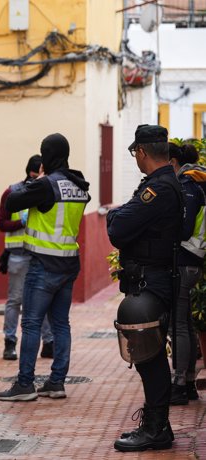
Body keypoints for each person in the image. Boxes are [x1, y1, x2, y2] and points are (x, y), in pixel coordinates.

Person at [0, 133, 90, 402]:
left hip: (44, 265)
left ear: (48, 155)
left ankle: (25, 384)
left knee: (32, 323)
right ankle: (56, 382)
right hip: (69, 263)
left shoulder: (47, 184)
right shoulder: (78, 185)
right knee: (61, 324)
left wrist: (35, 182)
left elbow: (12, 201)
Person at [107, 125, 182, 452]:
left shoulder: (160, 189)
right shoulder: (164, 183)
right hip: (151, 279)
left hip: (151, 281)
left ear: (141, 152)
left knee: (149, 356)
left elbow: (119, 226)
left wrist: (116, 216)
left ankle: (156, 429)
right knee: (147, 354)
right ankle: (157, 426)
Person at [0, 154, 54, 361]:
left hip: (40, 256)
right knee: (15, 301)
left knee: (44, 302)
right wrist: (21, 222)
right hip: (19, 255)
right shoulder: (12, 192)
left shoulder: (47, 191)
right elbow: (1, 223)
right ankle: (9, 343)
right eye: (34, 175)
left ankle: (48, 343)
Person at [168, 142, 204, 405]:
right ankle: (189, 381)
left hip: (185, 259)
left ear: (172, 162)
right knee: (186, 324)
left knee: (178, 324)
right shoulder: (197, 182)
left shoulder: (188, 186)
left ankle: (179, 384)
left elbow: (184, 228)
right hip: (195, 260)